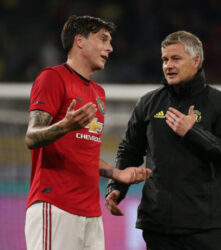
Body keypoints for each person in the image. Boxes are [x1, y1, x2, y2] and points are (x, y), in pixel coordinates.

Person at [24, 15, 151, 250]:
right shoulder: (52, 78)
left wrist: (117, 174)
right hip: (56, 206)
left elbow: (83, 154)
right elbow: (31, 137)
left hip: (91, 213)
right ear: (79, 41)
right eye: (103, 39)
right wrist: (65, 125)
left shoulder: (98, 93)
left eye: (110, 41)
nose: (110, 48)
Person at [105, 30, 221, 250]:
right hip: (158, 228)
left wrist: (193, 132)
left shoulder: (219, 104)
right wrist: (117, 187)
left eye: (176, 58)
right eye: (165, 59)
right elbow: (129, 150)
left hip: (205, 228)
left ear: (196, 60)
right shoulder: (148, 103)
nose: (168, 65)